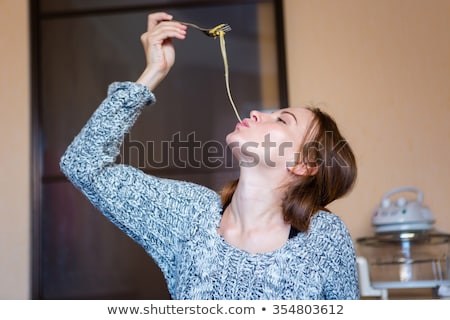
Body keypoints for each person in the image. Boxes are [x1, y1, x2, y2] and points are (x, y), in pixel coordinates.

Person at [60, 12, 359, 300]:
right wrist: (153, 72)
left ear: (304, 164)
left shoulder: (325, 238)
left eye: (282, 120)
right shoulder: (188, 216)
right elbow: (82, 164)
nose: (257, 113)